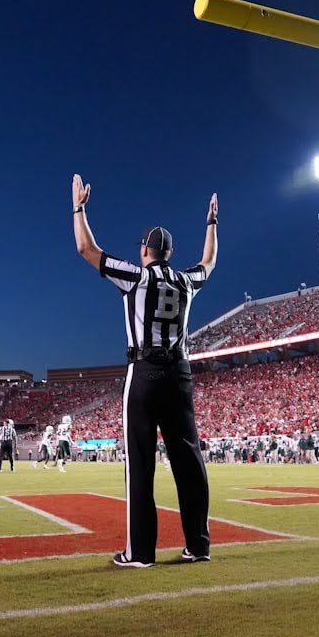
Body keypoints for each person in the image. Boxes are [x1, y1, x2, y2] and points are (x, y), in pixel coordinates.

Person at [71, 172, 216, 568]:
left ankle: (141, 552)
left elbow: (87, 248)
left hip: (145, 370)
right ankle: (198, 545)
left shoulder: (136, 276)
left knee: (140, 463)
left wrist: (79, 208)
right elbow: (209, 262)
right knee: (189, 460)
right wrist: (211, 224)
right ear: (169, 252)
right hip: (180, 374)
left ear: (144, 250)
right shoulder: (185, 281)